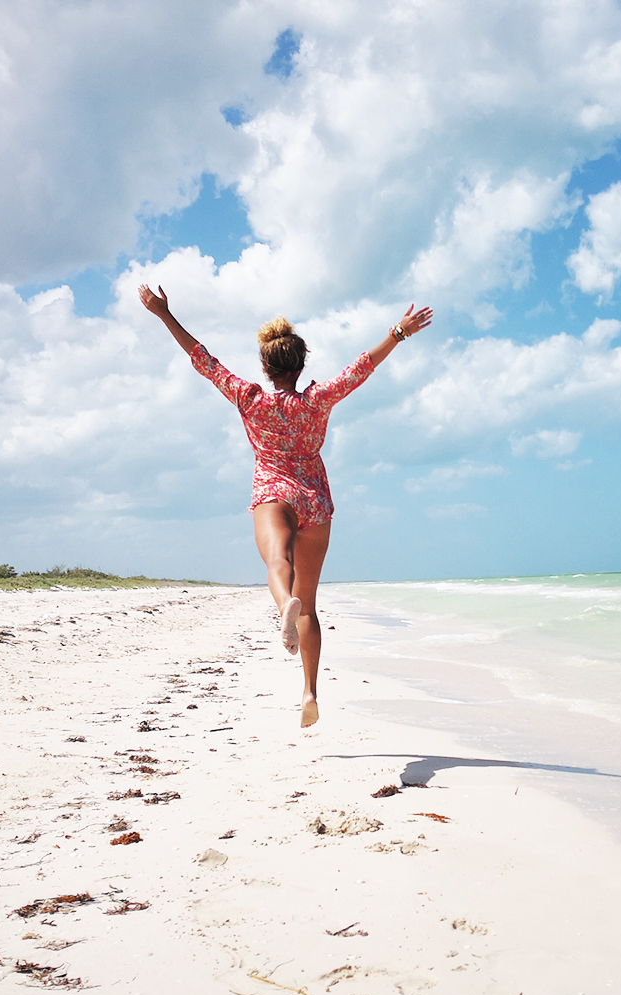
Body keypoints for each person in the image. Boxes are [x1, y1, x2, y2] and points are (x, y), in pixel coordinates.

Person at [138, 284, 433, 728]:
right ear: (301, 363)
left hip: (274, 492)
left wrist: (163, 314)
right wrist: (399, 331)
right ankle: (310, 690)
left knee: (278, 560)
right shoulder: (317, 400)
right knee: (310, 604)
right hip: (315, 499)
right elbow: (361, 369)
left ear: (265, 366)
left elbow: (203, 360)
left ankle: (282, 610)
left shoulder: (250, 399)